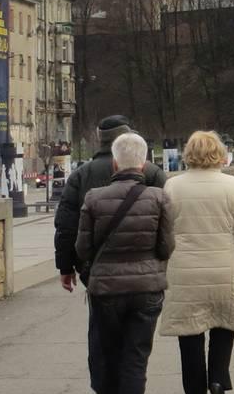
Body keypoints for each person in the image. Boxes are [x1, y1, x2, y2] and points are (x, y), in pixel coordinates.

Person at [72, 132, 174, 394]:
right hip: (146, 291)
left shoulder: (94, 198)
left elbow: (83, 248)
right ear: (143, 163)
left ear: (115, 163)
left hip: (106, 291)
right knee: (135, 360)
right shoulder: (159, 198)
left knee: (108, 353)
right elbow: (166, 247)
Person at [161, 132, 234, 394]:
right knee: (223, 326)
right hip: (223, 268)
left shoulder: (172, 187)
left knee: (189, 335)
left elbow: (164, 234)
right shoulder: (233, 186)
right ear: (220, 153)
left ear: (188, 153)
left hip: (184, 271)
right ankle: (217, 379)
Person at [54, 115, 167, 284]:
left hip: (96, 269)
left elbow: (66, 226)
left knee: (102, 308)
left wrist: (65, 266)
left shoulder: (80, 175)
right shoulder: (152, 172)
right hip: (146, 269)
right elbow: (168, 224)